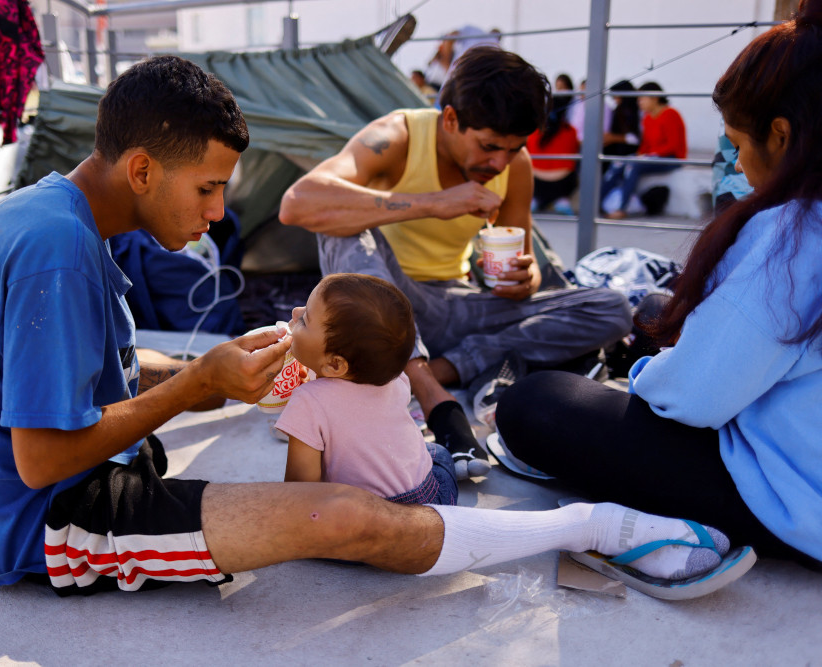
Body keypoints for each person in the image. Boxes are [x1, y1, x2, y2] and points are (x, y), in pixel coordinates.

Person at [0, 54, 744, 599]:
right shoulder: (59, 254)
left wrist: (201, 378)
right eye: (208, 190)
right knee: (345, 514)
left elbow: (81, 371)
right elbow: (39, 460)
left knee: (339, 495)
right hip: (57, 525)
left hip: (59, 487)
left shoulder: (53, 221)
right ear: (142, 169)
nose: (216, 216)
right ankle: (596, 525)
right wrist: (191, 389)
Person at [496, 0, 822, 571]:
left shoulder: (792, 236)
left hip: (798, 497)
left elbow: (688, 402)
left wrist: (649, 377)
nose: (740, 166)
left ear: (782, 133)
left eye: (740, 146)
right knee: (653, 309)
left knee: (534, 403)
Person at [279, 47, 632, 479]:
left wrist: (527, 277)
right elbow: (298, 204)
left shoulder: (513, 166)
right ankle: (429, 391)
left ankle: (443, 367)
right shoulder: (399, 136)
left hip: (454, 303)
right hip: (382, 308)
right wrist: (434, 203)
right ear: (450, 120)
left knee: (612, 308)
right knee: (339, 226)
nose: (499, 162)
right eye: (488, 146)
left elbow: (523, 260)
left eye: (512, 148)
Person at [278, 273, 457, 506]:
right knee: (438, 454)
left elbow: (301, 493)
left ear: (334, 364)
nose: (295, 312)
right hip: (432, 500)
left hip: (368, 517)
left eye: (305, 319)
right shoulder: (393, 378)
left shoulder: (307, 402)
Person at [601, 81, 687, 219]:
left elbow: (673, 145)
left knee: (632, 166)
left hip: (670, 158)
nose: (639, 102)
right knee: (617, 163)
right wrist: (640, 154)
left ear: (654, 98)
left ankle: (622, 208)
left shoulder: (671, 114)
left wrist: (647, 155)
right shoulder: (647, 118)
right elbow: (646, 144)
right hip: (651, 157)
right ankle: (598, 203)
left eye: (642, 98)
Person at [527, 73, 579, 214]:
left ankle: (536, 201)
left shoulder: (534, 132)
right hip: (563, 184)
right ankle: (560, 201)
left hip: (536, 183)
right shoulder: (571, 131)